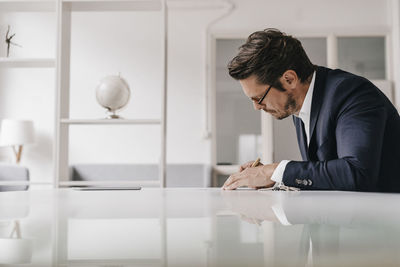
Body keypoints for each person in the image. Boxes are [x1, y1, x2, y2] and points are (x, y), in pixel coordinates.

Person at [222, 29, 400, 192]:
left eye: (259, 97)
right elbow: (327, 175)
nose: (256, 106)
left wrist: (276, 171)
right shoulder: (300, 105)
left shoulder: (351, 93)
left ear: (289, 79)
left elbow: (357, 173)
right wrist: (274, 177)